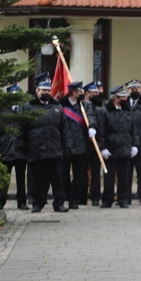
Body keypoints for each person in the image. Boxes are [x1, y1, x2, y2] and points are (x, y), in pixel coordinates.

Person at [21, 74, 71, 213]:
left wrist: (66, 146)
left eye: (48, 90)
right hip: (36, 150)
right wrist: (22, 147)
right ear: (37, 90)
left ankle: (59, 203)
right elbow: (21, 129)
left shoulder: (57, 107)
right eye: (43, 90)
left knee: (57, 179)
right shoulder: (28, 107)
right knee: (39, 180)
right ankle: (38, 203)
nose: (46, 93)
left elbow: (64, 129)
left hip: (55, 150)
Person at [97, 85, 138, 209]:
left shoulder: (127, 110)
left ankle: (123, 199)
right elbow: (101, 131)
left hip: (125, 148)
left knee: (124, 177)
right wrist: (103, 147)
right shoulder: (104, 111)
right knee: (109, 178)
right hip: (110, 149)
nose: (125, 98)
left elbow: (133, 130)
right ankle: (107, 200)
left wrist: (135, 145)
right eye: (122, 97)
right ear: (115, 98)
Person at [60, 81, 97, 209]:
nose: (81, 93)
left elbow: (91, 117)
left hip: (81, 145)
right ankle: (66, 196)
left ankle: (74, 200)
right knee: (63, 173)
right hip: (66, 146)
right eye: (79, 91)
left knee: (79, 175)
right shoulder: (61, 106)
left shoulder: (84, 106)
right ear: (73, 93)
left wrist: (92, 126)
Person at [0, 84, 28, 210]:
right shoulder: (2, 113)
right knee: (4, 178)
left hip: (20, 150)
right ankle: (0, 201)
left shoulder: (24, 111)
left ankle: (22, 202)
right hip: (6, 149)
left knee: (21, 179)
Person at [83, 82, 103, 205]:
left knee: (96, 172)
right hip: (83, 143)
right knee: (82, 172)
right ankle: (82, 196)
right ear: (87, 93)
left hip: (97, 143)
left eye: (97, 92)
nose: (96, 94)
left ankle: (95, 197)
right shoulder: (81, 106)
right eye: (93, 92)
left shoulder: (100, 107)